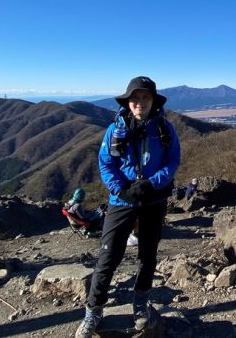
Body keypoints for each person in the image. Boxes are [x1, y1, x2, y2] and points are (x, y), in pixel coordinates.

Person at [76, 76, 180, 338]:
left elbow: (172, 161)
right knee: (108, 257)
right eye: (135, 97)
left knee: (147, 255)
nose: (140, 102)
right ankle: (93, 311)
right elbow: (105, 164)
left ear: (153, 101)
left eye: (145, 97)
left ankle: (140, 305)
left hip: (153, 200)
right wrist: (120, 189)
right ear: (128, 101)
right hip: (121, 201)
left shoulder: (165, 129)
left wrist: (151, 184)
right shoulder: (114, 130)